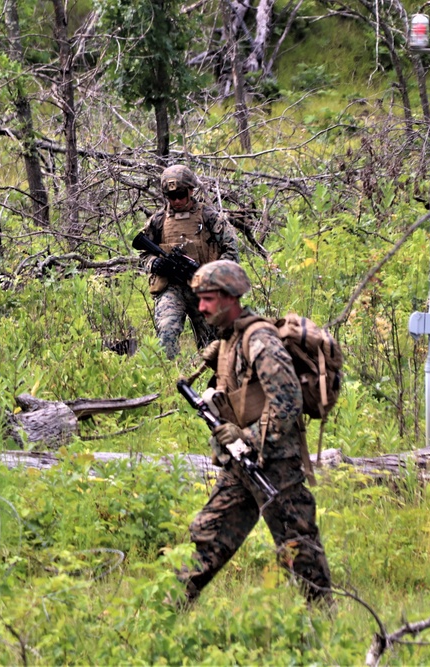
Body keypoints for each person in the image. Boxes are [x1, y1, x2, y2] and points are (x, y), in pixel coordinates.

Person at [177, 259, 333, 606]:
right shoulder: (229, 340)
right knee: (209, 535)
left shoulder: (259, 339)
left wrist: (247, 439)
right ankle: (166, 609)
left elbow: (288, 401)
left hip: (275, 463)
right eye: (199, 298)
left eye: (208, 298)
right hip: (242, 464)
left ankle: (326, 621)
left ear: (230, 298)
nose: (200, 306)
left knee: (298, 546)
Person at [139, 165, 239, 359]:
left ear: (191, 190)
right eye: (171, 196)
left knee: (212, 346)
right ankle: (168, 378)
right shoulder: (158, 220)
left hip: (204, 288)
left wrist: (212, 275)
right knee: (166, 334)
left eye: (181, 195)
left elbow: (232, 252)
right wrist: (154, 263)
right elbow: (142, 254)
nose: (176, 201)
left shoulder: (209, 217)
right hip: (171, 287)